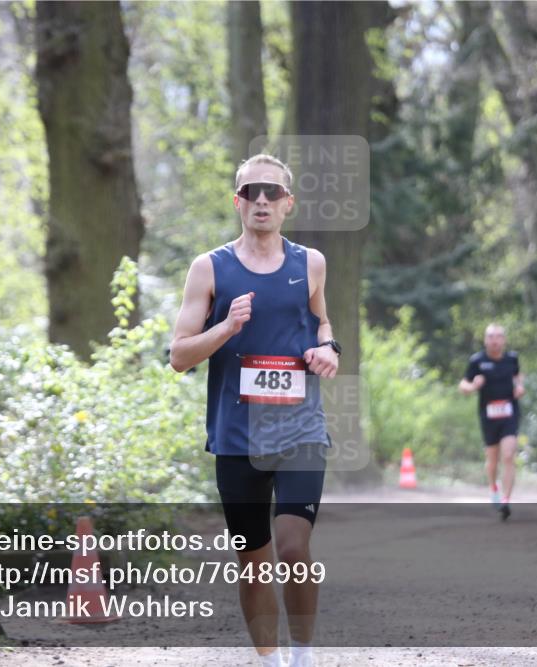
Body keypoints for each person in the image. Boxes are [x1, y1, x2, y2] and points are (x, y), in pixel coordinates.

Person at [170, 153, 340, 667]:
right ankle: (268, 660)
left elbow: (323, 323)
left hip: (300, 430)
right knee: (253, 562)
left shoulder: (310, 262)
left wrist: (329, 349)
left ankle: (304, 656)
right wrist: (225, 329)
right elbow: (179, 355)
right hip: (237, 435)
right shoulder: (210, 268)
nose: (260, 200)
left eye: (271, 192)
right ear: (237, 201)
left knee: (292, 547)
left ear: (288, 203)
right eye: (250, 192)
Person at [459, 323, 525, 520]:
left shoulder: (512, 359)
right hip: (488, 416)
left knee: (508, 455)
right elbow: (462, 385)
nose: (495, 340)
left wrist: (520, 386)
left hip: (509, 413)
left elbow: (518, 375)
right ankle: (493, 488)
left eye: (498, 337)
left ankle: (506, 500)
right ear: (485, 340)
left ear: (504, 340)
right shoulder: (477, 361)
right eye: (490, 337)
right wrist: (473, 386)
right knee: (493, 459)